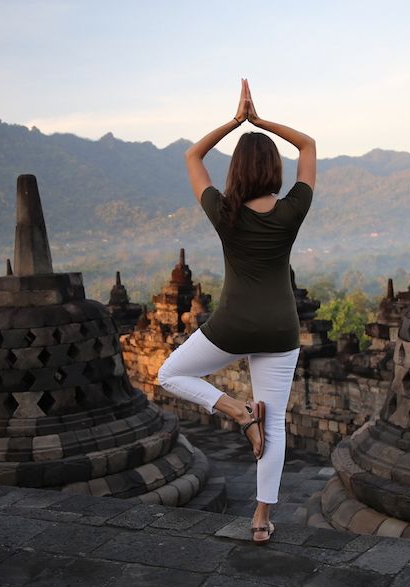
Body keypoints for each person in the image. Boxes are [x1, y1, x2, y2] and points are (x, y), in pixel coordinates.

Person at [157, 79, 315, 544]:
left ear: (237, 173)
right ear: (274, 169)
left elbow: (192, 156)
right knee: (278, 422)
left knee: (169, 374)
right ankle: (261, 519)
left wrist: (235, 121)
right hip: (282, 328)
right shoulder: (292, 210)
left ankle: (238, 411)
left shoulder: (224, 212)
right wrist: (259, 121)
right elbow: (307, 143)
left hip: (232, 326)